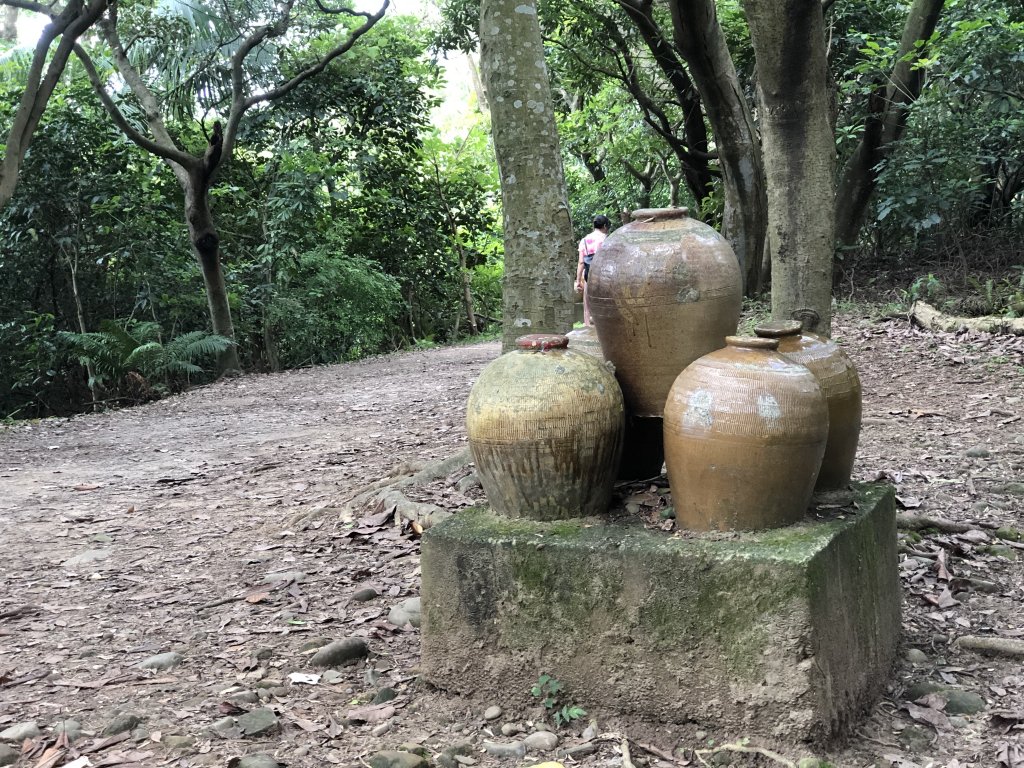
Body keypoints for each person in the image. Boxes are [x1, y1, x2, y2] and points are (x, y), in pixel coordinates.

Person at [575, 214, 611, 326]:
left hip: (589, 275)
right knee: (605, 304)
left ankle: (588, 328)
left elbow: (581, 262)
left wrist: (578, 281)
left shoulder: (585, 240)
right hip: (605, 275)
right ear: (605, 226)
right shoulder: (608, 239)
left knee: (587, 307)